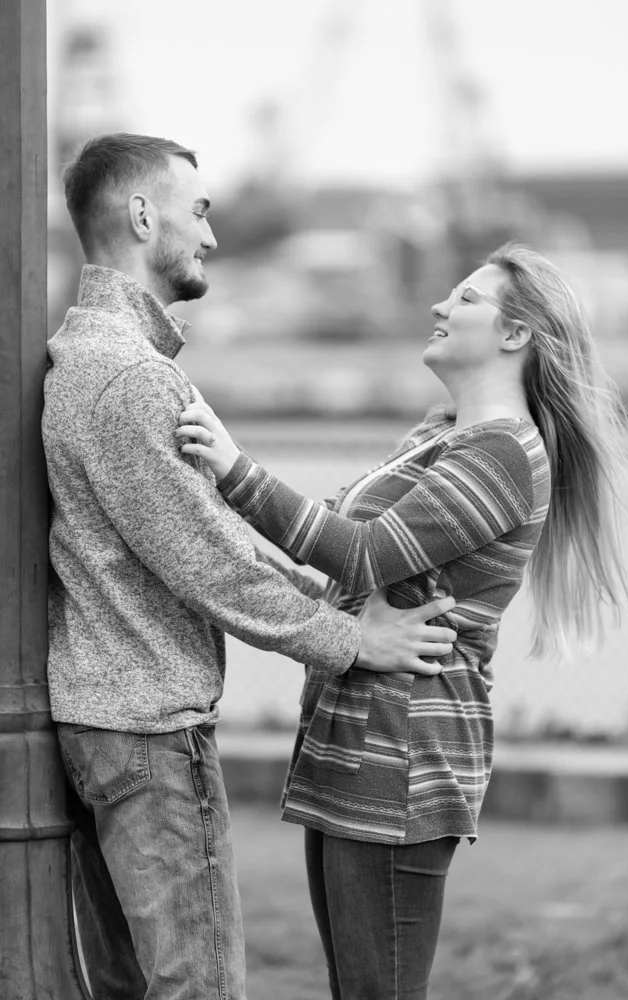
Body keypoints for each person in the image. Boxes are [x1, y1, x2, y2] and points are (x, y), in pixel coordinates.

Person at [41, 132, 457, 1000]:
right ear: (142, 214)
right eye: (198, 209)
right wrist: (349, 637)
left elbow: (196, 548)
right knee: (199, 986)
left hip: (104, 721)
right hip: (148, 730)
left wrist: (334, 603)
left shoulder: (91, 360)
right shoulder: (127, 378)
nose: (212, 235)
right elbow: (209, 562)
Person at [177, 243, 628, 1000]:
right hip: (346, 745)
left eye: (463, 299)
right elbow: (336, 562)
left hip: (403, 765)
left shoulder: (501, 456)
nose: (438, 307)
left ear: (515, 334)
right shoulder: (439, 434)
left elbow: (360, 554)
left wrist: (232, 468)